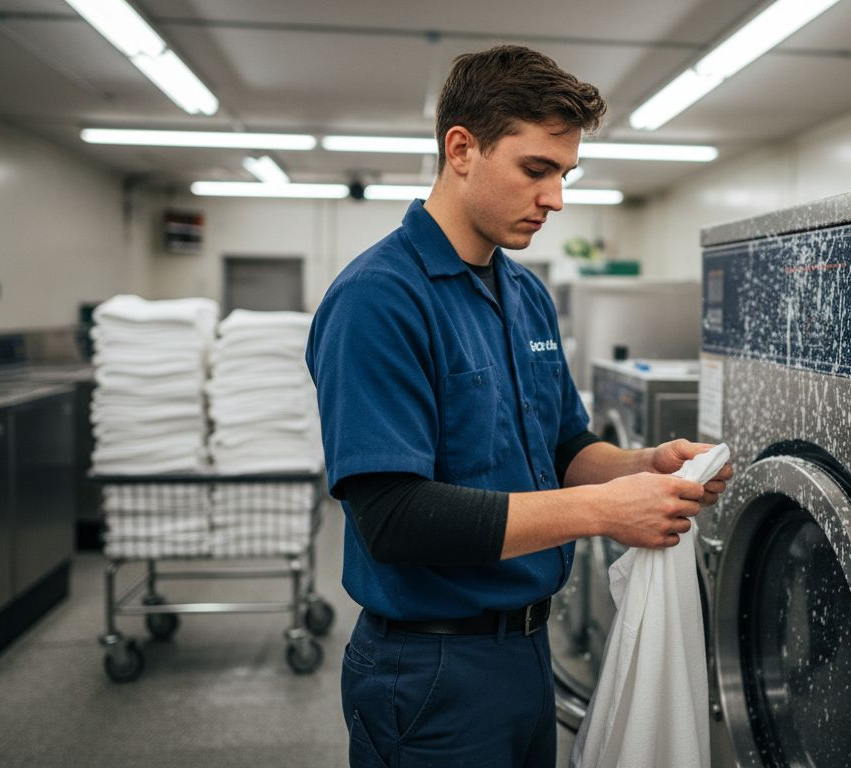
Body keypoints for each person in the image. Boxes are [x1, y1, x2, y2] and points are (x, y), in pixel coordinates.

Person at [306, 44, 733, 768]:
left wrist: (643, 465)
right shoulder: (380, 298)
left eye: (564, 175)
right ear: (462, 149)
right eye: (536, 170)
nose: (556, 199)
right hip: (430, 671)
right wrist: (606, 512)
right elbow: (393, 517)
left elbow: (563, 446)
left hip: (527, 654)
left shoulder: (524, 294)